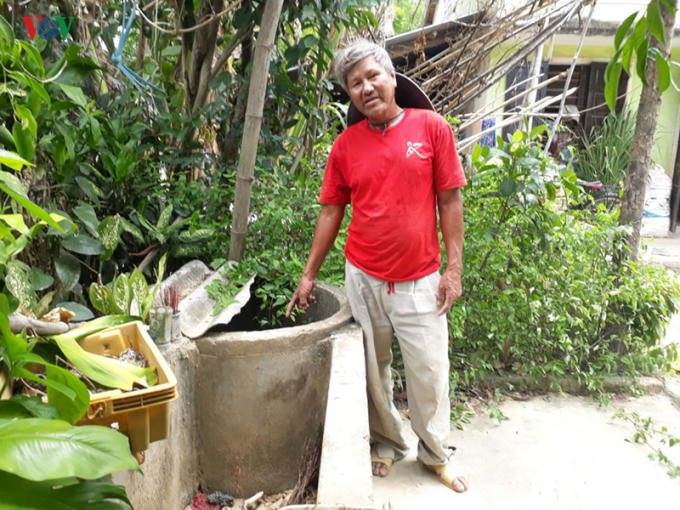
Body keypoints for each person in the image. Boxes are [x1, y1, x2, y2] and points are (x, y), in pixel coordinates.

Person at [286, 38, 468, 493]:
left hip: (421, 279)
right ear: (349, 93)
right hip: (363, 277)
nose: (365, 88)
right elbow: (331, 211)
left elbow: (450, 200)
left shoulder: (431, 128)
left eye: (372, 76)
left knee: (430, 372)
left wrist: (454, 270)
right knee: (373, 368)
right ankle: (386, 442)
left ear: (391, 77)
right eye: (355, 83)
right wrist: (308, 275)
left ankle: (435, 452)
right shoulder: (345, 145)